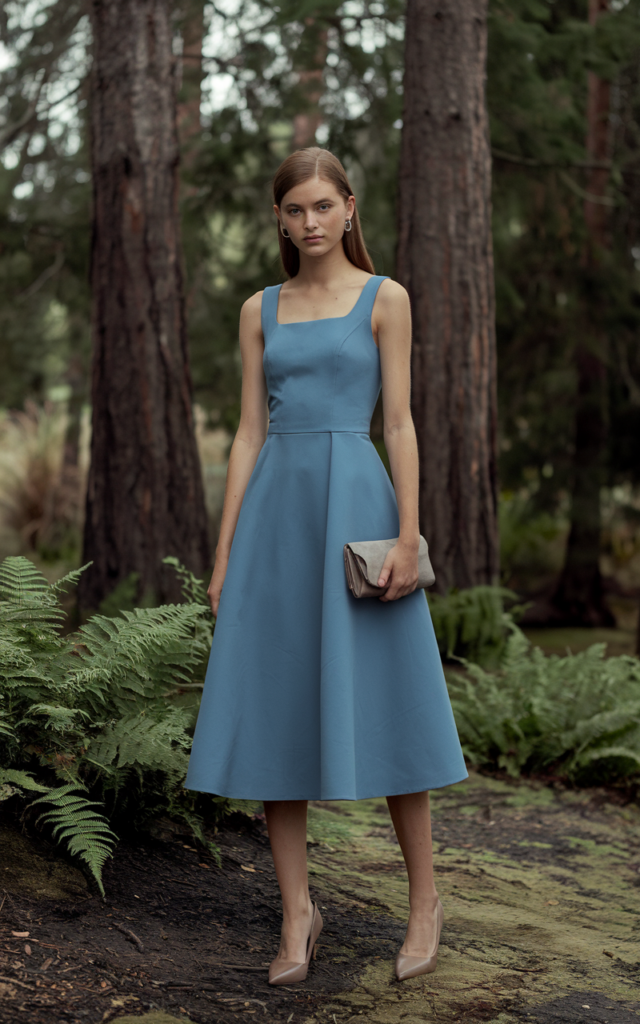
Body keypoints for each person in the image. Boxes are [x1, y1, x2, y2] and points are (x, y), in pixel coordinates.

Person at [185, 147, 468, 986]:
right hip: (277, 521)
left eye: (322, 205)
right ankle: (297, 910)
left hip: (361, 516)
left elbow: (402, 424)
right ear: (279, 219)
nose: (309, 222)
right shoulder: (259, 310)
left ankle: (425, 903)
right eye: (294, 209)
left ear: (349, 208)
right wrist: (225, 549)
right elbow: (246, 433)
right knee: (276, 706)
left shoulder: (387, 299)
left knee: (392, 702)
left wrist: (411, 536)